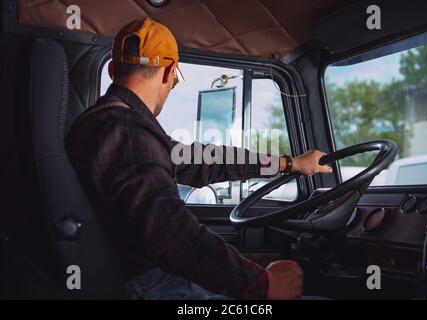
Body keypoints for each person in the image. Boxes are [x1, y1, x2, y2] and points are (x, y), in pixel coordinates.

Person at [65, 18, 333, 300]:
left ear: (112, 69)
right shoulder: (126, 133)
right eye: (176, 80)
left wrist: (289, 163)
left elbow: (205, 159)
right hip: (152, 287)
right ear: (169, 72)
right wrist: (262, 285)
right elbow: (171, 232)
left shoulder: (115, 124)